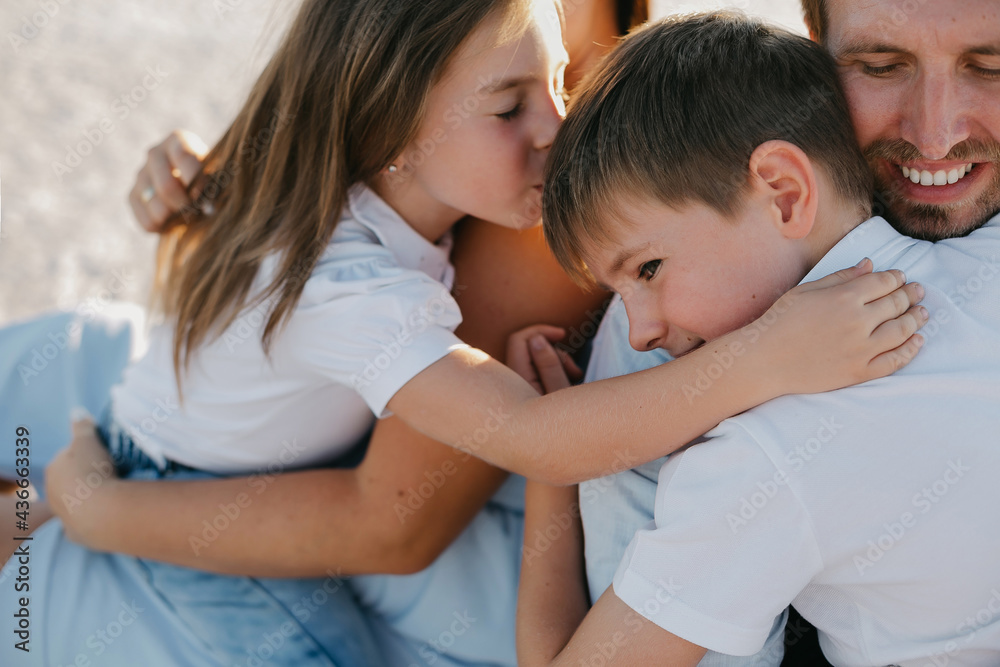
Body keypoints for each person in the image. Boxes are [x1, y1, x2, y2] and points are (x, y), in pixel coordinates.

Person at [0, 2, 924, 666]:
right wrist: (767, 355)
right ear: (391, 122)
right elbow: (526, 441)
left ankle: (43, 507)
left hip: (191, 447)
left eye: (559, 83)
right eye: (509, 105)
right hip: (197, 505)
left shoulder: (348, 203)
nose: (558, 127)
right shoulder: (350, 285)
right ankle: (58, 518)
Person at [515, 12, 1000, 665]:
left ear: (783, 191)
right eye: (881, 66)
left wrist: (550, 479)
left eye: (648, 269)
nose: (641, 329)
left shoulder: (758, 462)